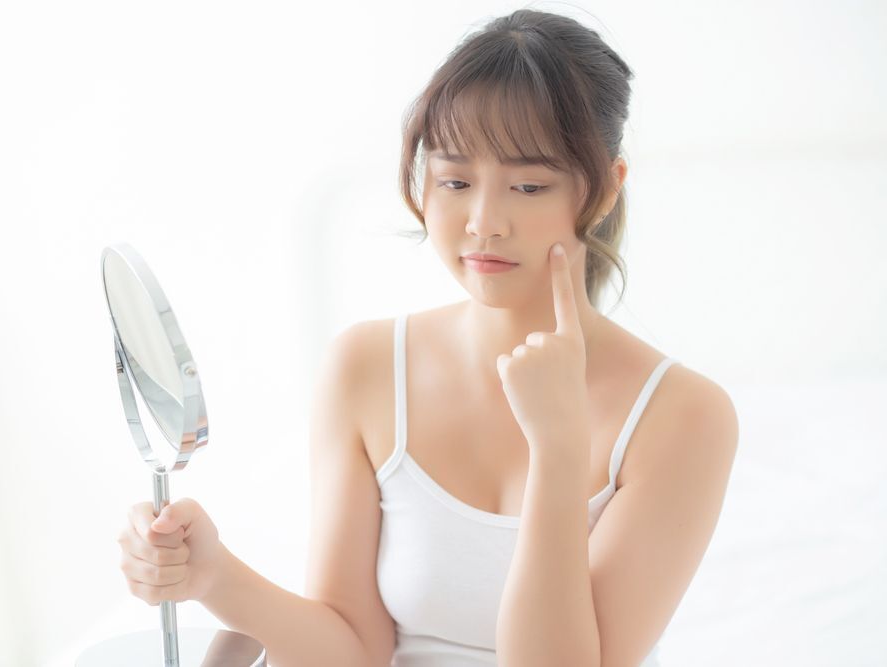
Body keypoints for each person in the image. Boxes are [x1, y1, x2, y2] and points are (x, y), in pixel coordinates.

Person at [117, 8, 739, 666]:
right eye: (455, 182)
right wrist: (213, 575)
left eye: (529, 185)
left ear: (606, 190)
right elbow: (352, 649)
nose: (484, 222)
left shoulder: (683, 415)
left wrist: (558, 450)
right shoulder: (364, 368)